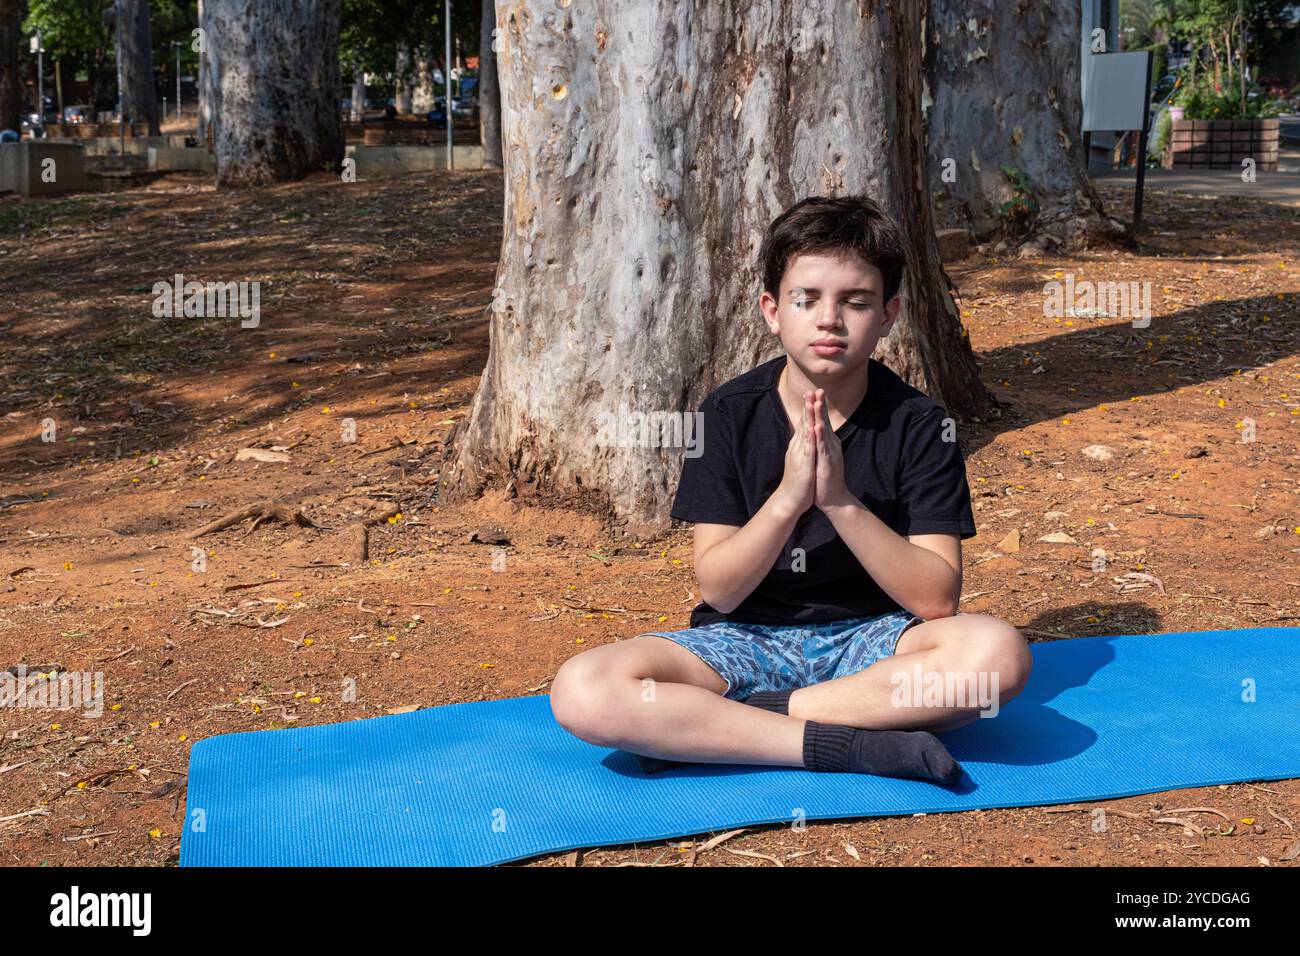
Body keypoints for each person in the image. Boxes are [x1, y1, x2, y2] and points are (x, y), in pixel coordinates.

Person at [549, 194, 1033, 786]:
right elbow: (720, 591)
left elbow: (936, 601)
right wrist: (788, 497)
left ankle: (727, 729)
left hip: (872, 647)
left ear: (889, 314)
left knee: (996, 658)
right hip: (742, 642)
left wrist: (839, 501)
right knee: (583, 689)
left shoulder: (921, 425)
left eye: (856, 301)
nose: (830, 319)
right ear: (773, 310)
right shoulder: (727, 416)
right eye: (807, 299)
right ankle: (850, 746)